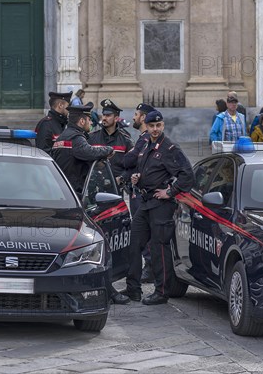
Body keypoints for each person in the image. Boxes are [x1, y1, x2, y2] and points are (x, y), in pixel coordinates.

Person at [51, 105, 129, 305]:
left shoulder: (61, 139)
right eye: (88, 119)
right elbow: (88, 153)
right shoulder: (77, 139)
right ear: (82, 121)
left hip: (60, 200)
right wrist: (108, 150)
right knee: (94, 246)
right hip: (77, 202)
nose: (92, 123)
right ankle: (104, 289)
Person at [122, 110, 194, 305]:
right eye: (151, 126)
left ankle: (162, 292)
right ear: (147, 125)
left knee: (159, 248)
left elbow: (188, 174)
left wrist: (170, 193)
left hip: (161, 204)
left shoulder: (170, 148)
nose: (154, 129)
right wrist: (138, 178)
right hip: (145, 203)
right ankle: (133, 290)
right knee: (135, 243)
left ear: (163, 126)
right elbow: (143, 169)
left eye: (158, 126)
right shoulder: (146, 144)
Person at [123, 102, 156, 283]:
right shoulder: (143, 138)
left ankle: (149, 267)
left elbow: (129, 160)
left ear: (143, 117)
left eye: (136, 114)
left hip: (142, 193)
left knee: (143, 230)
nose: (134, 117)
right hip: (137, 190)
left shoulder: (145, 139)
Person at [88, 99, 134, 187]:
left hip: (116, 188)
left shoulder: (126, 140)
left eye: (108, 115)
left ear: (116, 118)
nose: (104, 118)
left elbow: (133, 165)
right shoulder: (92, 138)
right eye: (104, 115)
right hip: (94, 187)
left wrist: (121, 178)